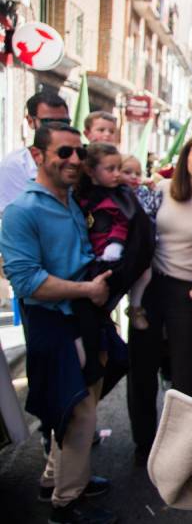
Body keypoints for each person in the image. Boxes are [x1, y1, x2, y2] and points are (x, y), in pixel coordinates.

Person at [0, 123, 120, 524]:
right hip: (55, 324)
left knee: (76, 408)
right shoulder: (22, 211)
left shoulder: (71, 200)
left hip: (84, 322)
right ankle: (68, 505)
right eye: (63, 153)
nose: (74, 160)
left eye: (78, 152)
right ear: (37, 156)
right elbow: (27, 281)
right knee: (78, 412)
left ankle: (56, 479)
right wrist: (86, 290)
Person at [127, 134, 192, 465]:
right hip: (151, 287)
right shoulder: (161, 189)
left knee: (183, 373)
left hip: (187, 291)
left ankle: (182, 445)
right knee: (142, 369)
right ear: (186, 158)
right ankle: (143, 443)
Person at [72, 143, 153, 388]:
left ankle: (135, 307)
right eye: (110, 169)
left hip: (113, 264)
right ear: (91, 170)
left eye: (119, 168)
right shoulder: (78, 197)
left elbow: (124, 224)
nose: (117, 174)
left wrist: (115, 246)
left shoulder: (121, 195)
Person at [0, 91, 69, 217]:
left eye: (64, 122)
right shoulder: (15, 164)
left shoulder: (78, 159)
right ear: (31, 121)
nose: (57, 128)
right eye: (48, 122)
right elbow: (14, 216)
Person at [119, 155, 162, 330]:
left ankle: (135, 307)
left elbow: (155, 209)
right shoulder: (115, 192)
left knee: (145, 274)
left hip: (141, 246)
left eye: (137, 173)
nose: (133, 177)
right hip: (119, 246)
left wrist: (154, 189)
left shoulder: (143, 192)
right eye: (127, 172)